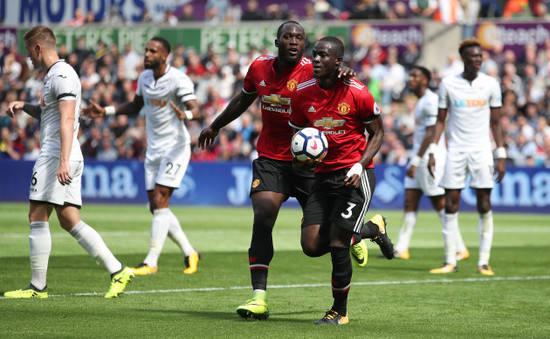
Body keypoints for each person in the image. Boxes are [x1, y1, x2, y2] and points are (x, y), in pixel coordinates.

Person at [198, 21, 393, 321]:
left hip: (315, 164)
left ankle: (360, 236)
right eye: (287, 37)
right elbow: (243, 98)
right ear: (276, 41)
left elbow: (339, 74)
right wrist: (216, 124)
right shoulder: (261, 69)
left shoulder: (316, 74)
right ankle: (258, 297)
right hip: (276, 157)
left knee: (326, 242)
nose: (295, 43)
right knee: (266, 215)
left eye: (299, 38)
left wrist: (347, 72)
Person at [3, 26, 133, 299]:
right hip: (64, 153)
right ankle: (118, 269)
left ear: (39, 48)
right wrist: (23, 105)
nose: (28, 58)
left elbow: (66, 119)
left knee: (36, 215)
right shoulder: (55, 75)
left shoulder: (61, 74)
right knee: (69, 219)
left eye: (29, 51)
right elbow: (49, 113)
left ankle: (38, 287)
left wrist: (62, 160)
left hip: (56, 155)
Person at [82, 37, 201, 276]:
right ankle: (190, 252)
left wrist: (186, 115)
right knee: (156, 207)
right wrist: (106, 111)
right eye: (146, 49)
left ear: (164, 56)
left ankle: (151, 262)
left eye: (152, 51)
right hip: (154, 149)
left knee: (160, 200)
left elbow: (196, 110)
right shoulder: (145, 78)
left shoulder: (178, 79)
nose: (146, 54)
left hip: (175, 148)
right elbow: (136, 107)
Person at [288, 36, 384, 325]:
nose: (315, 59)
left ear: (338, 61)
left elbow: (378, 133)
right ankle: (371, 229)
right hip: (322, 176)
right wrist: (300, 159)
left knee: (339, 243)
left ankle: (339, 311)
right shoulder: (302, 93)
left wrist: (359, 165)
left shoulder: (358, 92)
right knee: (312, 245)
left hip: (354, 176)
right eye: (314, 54)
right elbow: (297, 135)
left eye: (323, 56)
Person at [428, 38, 505, 275]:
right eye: (473, 56)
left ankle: (484, 261)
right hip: (456, 151)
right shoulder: (449, 84)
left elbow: (496, 122)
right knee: (451, 204)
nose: (478, 60)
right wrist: (432, 150)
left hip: (482, 150)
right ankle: (451, 260)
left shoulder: (491, 84)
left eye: (480, 56)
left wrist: (500, 153)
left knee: (484, 203)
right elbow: (440, 121)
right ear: (464, 58)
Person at [393, 66, 469, 261]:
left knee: (440, 204)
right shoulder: (420, 101)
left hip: (428, 159)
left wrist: (417, 160)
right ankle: (401, 248)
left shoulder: (430, 101)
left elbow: (431, 132)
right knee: (410, 201)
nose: (411, 79)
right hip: (418, 158)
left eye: (415, 76)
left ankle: (460, 248)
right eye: (410, 75)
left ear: (425, 80)